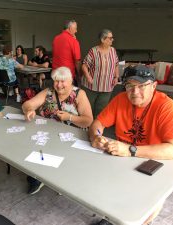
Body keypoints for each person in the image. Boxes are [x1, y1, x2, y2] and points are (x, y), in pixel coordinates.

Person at [89, 65, 173, 225]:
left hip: (156, 164)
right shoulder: (120, 99)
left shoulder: (166, 106)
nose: (134, 92)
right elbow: (97, 124)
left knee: (143, 212)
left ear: (153, 86)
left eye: (141, 86)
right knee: (100, 184)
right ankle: (112, 218)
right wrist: (96, 137)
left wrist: (130, 150)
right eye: (130, 86)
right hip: (122, 161)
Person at [22, 66, 93, 194]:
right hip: (48, 134)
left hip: (72, 136)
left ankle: (62, 177)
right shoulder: (48, 92)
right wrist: (29, 109)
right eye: (56, 81)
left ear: (70, 81)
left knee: (62, 157)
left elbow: (88, 120)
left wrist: (69, 117)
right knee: (33, 146)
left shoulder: (79, 94)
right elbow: (27, 104)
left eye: (62, 81)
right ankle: (38, 177)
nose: (59, 85)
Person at [82, 29, 119, 119]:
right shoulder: (93, 51)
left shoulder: (113, 51)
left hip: (107, 87)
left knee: (101, 110)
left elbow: (116, 65)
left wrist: (116, 77)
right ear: (103, 39)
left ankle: (96, 129)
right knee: (88, 108)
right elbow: (84, 65)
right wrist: (88, 76)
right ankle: (85, 127)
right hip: (91, 86)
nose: (112, 40)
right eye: (110, 38)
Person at [52, 19, 81, 85]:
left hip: (56, 74)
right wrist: (79, 74)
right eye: (75, 29)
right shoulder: (73, 41)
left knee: (57, 94)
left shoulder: (56, 38)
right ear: (70, 28)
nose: (76, 31)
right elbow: (77, 60)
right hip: (67, 75)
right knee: (70, 94)